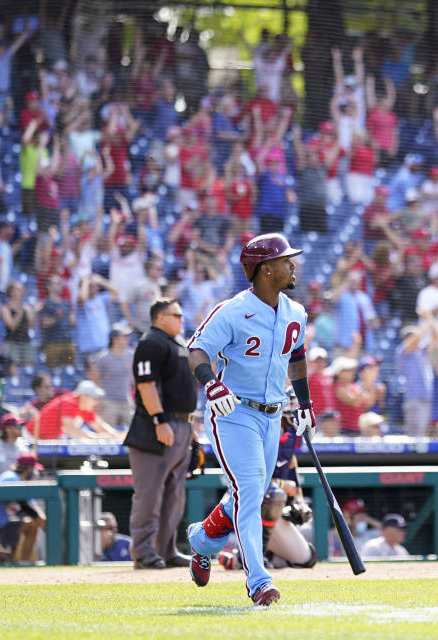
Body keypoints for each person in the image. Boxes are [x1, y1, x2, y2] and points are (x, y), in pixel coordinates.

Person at [185, 233, 315, 606]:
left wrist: (303, 402)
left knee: (250, 491)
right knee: (250, 490)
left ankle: (201, 539)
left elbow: (298, 357)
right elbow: (197, 351)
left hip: (274, 415)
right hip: (233, 411)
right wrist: (211, 385)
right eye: (286, 260)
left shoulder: (295, 311)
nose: (293, 265)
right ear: (265, 269)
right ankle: (259, 582)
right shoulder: (231, 310)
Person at [124, 298, 197, 570]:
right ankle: (143, 553)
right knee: (149, 495)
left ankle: (165, 551)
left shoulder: (176, 344)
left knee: (174, 497)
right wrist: (159, 420)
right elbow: (146, 385)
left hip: (182, 426)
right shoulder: (151, 343)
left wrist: (192, 431)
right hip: (156, 429)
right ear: (160, 318)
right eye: (176, 315)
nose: (181, 319)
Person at [219, 390, 316, 571]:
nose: (293, 410)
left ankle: (240, 559)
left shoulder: (290, 435)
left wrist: (299, 501)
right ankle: (253, 557)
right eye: (290, 405)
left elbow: (292, 469)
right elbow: (248, 478)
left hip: (275, 511)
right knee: (275, 495)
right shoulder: (256, 431)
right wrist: (280, 485)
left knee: (307, 559)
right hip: (248, 504)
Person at [0, 453, 46, 564]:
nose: (34, 472)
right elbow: (24, 505)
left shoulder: (15, 477)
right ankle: (22, 562)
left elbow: (31, 504)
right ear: (29, 468)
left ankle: (19, 561)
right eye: (34, 469)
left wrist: (42, 518)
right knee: (32, 524)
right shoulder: (10, 478)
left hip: (4, 525)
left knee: (32, 521)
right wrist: (41, 520)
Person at [32, 380, 123, 441]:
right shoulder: (69, 402)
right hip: (31, 439)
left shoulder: (83, 406)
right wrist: (95, 437)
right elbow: (71, 429)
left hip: (44, 441)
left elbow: (99, 426)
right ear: (84, 397)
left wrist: (116, 435)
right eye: (95, 398)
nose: (97, 402)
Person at [90, 327, 135, 430]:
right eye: (124, 337)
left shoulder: (131, 355)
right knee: (107, 435)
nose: (127, 339)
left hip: (126, 402)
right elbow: (95, 380)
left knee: (134, 434)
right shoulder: (103, 358)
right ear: (115, 339)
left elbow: (133, 379)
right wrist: (99, 402)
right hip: (108, 403)